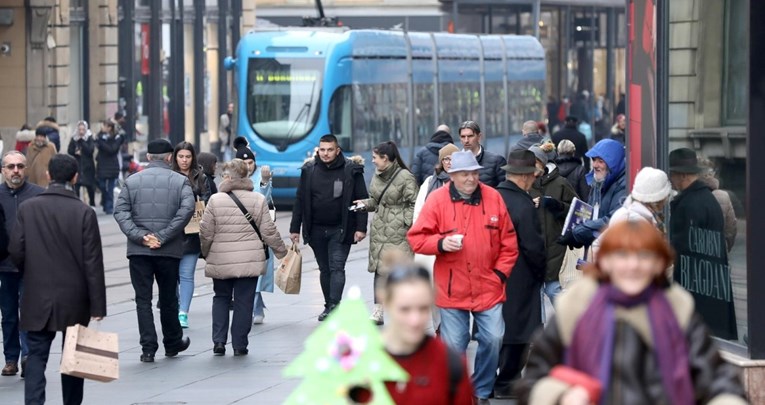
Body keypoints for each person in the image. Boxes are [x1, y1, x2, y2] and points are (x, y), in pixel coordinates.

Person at [516, 221, 747, 405]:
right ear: (604, 262)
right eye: (622, 256)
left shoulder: (677, 311)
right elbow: (533, 381)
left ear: (659, 264)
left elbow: (716, 378)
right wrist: (561, 396)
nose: (633, 265)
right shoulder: (576, 308)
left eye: (644, 256)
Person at [407, 150, 518, 404]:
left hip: (488, 286)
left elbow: (509, 243)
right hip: (451, 288)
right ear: (452, 175)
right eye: (465, 174)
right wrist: (441, 243)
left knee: (493, 338)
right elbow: (416, 238)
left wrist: (499, 274)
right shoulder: (437, 200)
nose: (471, 179)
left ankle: (481, 391)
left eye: (474, 173)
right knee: (454, 347)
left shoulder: (494, 198)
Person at [10, 154, 105, 405]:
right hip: (76, 299)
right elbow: (93, 263)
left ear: (48, 175)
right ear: (75, 177)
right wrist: (98, 306)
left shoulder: (27, 208)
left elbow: (16, 251)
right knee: (74, 359)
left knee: (36, 358)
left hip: (36, 295)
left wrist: (31, 272)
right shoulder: (84, 212)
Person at [114, 139, 195, 363]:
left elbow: (120, 212)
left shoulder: (131, 181)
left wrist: (141, 236)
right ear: (170, 157)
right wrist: (163, 236)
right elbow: (187, 210)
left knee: (143, 300)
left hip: (139, 252)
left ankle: (148, 348)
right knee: (169, 298)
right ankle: (172, 342)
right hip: (168, 250)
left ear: (148, 157)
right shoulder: (180, 182)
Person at [200, 159, 288, 356]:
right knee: (244, 301)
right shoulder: (257, 199)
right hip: (249, 260)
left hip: (220, 259)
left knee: (221, 298)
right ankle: (240, 344)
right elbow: (269, 230)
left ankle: (219, 341)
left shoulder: (215, 200)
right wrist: (281, 251)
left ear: (228, 178)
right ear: (246, 176)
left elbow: (205, 232)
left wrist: (206, 252)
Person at [290, 134, 368, 321]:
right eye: (322, 150)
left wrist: (361, 227)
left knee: (337, 267)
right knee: (324, 269)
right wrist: (295, 228)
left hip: (341, 229)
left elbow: (362, 200)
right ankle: (329, 304)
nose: (325, 153)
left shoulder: (351, 170)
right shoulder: (309, 170)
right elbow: (300, 200)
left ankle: (334, 305)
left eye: (330, 150)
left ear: (337, 150)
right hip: (316, 229)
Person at [379, 265, 474, 404]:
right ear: (386, 303)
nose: (415, 320)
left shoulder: (451, 364)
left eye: (423, 309)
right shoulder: (358, 360)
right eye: (405, 309)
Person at [494, 150, 547, 399]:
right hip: (521, 275)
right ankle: (507, 382)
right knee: (520, 331)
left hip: (494, 274)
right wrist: (541, 272)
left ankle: (496, 379)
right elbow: (533, 246)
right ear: (526, 177)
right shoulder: (523, 204)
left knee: (499, 328)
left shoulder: (494, 197)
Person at [669, 148, 737, 340]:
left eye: (672, 174)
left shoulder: (690, 203)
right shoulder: (706, 198)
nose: (671, 179)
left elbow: (681, 246)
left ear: (682, 175)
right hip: (710, 285)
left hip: (698, 287)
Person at [354, 141, 418, 325]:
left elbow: (415, 202)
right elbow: (375, 200)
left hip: (399, 232)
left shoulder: (405, 177)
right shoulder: (377, 175)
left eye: (375, 158)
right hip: (380, 230)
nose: (372, 161)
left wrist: (404, 221)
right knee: (380, 272)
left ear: (386, 158)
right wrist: (364, 204)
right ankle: (378, 311)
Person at [0, 152, 43, 378]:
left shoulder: (38, 194)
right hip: (4, 266)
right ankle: (10, 359)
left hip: (31, 265)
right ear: (2, 170)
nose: (15, 170)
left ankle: (28, 356)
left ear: (25, 169)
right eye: (10, 167)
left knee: (28, 312)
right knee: (8, 315)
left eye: (19, 166)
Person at [412, 143, 459, 334]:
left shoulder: (464, 182)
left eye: (452, 159)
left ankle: (454, 329)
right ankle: (440, 328)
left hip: (456, 244)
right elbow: (418, 213)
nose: (449, 163)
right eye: (446, 159)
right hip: (431, 245)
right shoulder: (429, 183)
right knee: (432, 291)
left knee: (454, 291)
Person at [232, 137, 275, 324]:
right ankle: (256, 307)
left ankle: (251, 307)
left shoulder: (261, 177)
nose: (248, 167)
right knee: (244, 273)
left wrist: (265, 182)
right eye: (244, 163)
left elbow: (263, 199)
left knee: (256, 273)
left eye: (250, 162)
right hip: (237, 233)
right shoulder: (231, 179)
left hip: (258, 233)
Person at [528, 145, 577, 303]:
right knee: (534, 302)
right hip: (532, 252)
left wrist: (555, 204)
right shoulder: (522, 185)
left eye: (533, 162)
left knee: (554, 290)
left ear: (542, 163)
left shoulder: (560, 183)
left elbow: (580, 212)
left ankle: (571, 324)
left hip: (557, 250)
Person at [590, 167, 672, 260]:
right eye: (666, 195)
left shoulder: (631, 214)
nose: (666, 200)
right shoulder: (633, 220)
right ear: (658, 199)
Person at [559, 139, 626, 251]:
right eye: (594, 160)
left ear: (613, 163)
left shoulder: (622, 185)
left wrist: (577, 233)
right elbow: (590, 213)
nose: (595, 165)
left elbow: (612, 220)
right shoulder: (598, 181)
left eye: (601, 161)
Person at [172, 142, 211, 329]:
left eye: (187, 157)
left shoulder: (200, 176)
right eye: (181, 157)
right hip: (172, 233)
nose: (184, 160)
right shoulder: (169, 175)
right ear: (175, 157)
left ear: (193, 158)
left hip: (192, 232)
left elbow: (207, 200)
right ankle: (174, 307)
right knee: (172, 276)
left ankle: (183, 312)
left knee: (186, 274)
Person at [699, 157, 737, 252]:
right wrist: (724, 247)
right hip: (718, 252)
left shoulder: (687, 195)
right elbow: (731, 230)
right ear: (712, 174)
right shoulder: (724, 196)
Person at [458, 121, 507, 187]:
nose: (466, 140)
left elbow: (504, 190)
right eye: (463, 137)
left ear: (479, 137)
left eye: (470, 136)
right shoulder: (455, 162)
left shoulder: (497, 161)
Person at [96, 120, 124, 215]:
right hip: (102, 164)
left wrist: (102, 143)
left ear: (109, 128)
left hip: (112, 165)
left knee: (110, 188)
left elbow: (112, 149)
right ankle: (104, 201)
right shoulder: (100, 137)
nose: (102, 127)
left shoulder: (117, 137)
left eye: (104, 126)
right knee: (102, 186)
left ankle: (109, 207)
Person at [67, 121, 97, 207]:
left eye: (83, 129)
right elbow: (69, 150)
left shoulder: (89, 138)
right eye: (79, 129)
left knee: (90, 187)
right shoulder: (74, 138)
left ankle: (92, 204)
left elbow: (90, 150)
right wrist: (75, 152)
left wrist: (82, 142)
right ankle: (77, 205)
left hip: (88, 167)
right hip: (77, 166)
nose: (81, 131)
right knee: (76, 186)